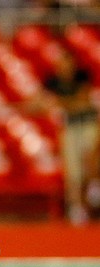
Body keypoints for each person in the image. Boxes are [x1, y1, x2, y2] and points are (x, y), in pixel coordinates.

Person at [42, 50, 99, 224]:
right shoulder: (52, 81)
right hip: (70, 127)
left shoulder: (82, 76)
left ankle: (93, 189)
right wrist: (66, 104)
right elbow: (43, 102)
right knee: (73, 171)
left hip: (87, 123)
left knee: (91, 160)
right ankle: (77, 207)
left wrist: (62, 103)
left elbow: (82, 101)